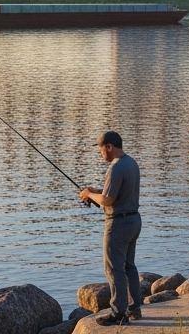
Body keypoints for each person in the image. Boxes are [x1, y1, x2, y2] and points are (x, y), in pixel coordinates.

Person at [79, 131, 142, 326]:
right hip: (134, 220)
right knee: (129, 266)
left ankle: (118, 313)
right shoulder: (131, 163)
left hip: (118, 224)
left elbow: (107, 200)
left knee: (114, 269)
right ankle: (134, 308)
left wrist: (90, 194)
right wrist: (95, 192)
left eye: (100, 150)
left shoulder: (115, 168)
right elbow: (114, 193)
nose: (101, 154)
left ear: (109, 147)